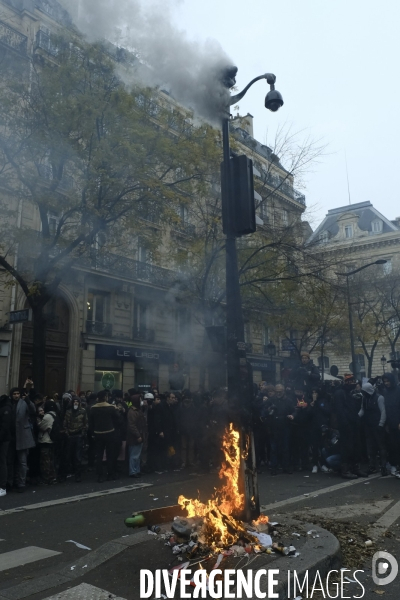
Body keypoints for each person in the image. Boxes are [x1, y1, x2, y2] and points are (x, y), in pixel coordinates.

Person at [7, 386, 36, 492]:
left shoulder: (24, 403)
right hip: (11, 437)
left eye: (17, 394)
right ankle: (11, 482)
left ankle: (21, 483)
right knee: (10, 461)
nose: (16, 396)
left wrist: (28, 400)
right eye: (14, 394)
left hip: (22, 436)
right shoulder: (8, 404)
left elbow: (33, 410)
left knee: (22, 462)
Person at [89, 389, 120, 482]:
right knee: (110, 455)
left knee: (99, 455)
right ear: (105, 397)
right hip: (110, 433)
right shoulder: (111, 408)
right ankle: (110, 474)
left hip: (98, 433)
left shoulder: (93, 408)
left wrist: (92, 433)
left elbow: (91, 423)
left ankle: (100, 475)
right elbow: (118, 419)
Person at [265, 384, 295, 475]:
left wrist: (292, 415)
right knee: (274, 449)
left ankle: (285, 466)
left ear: (283, 391)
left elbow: (294, 410)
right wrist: (268, 409)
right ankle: (274, 467)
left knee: (285, 448)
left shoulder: (288, 401)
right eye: (277, 391)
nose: (278, 393)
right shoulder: (271, 400)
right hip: (274, 427)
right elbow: (265, 411)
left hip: (285, 426)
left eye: (280, 391)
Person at [359, 382, 387, 476]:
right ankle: (373, 466)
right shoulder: (364, 398)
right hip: (368, 425)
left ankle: (383, 466)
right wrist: (357, 417)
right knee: (370, 447)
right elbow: (362, 409)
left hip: (377, 425)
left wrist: (381, 424)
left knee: (381, 446)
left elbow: (383, 411)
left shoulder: (379, 397)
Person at [64, 396, 88, 482]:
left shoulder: (83, 411)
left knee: (78, 457)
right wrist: (67, 433)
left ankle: (78, 475)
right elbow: (65, 424)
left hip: (79, 436)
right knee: (69, 455)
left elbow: (85, 423)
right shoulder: (68, 412)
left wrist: (82, 433)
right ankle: (69, 472)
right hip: (70, 435)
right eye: (74, 402)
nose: (76, 403)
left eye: (77, 402)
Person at [381, 373, 400, 475]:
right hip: (390, 423)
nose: (386, 383)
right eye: (385, 381)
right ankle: (394, 465)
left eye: (387, 381)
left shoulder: (398, 391)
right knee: (392, 445)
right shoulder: (385, 392)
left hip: (398, 422)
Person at [309, 387, 331, 473]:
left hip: (322, 426)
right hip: (313, 427)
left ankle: (323, 464)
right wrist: (311, 405)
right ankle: (315, 464)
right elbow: (309, 414)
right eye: (313, 393)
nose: (314, 394)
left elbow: (327, 411)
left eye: (316, 393)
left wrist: (318, 404)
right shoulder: (311, 402)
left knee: (323, 447)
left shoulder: (323, 401)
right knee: (315, 447)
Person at [38, 400, 58, 485]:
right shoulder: (55, 414)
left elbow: (41, 427)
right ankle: (53, 477)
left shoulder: (47, 416)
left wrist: (39, 420)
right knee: (51, 460)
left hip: (46, 440)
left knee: (45, 461)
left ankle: (46, 478)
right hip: (53, 440)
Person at [127, 395, 147, 478]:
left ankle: (137, 470)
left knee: (137, 455)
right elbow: (132, 425)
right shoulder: (132, 412)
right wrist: (138, 435)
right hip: (135, 436)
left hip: (139, 435)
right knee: (134, 455)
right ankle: (133, 471)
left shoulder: (138, 410)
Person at [0, 394, 12, 496]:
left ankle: (2, 486)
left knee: (2, 461)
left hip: (3, 440)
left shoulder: (6, 409)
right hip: (3, 439)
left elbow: (4, 426)